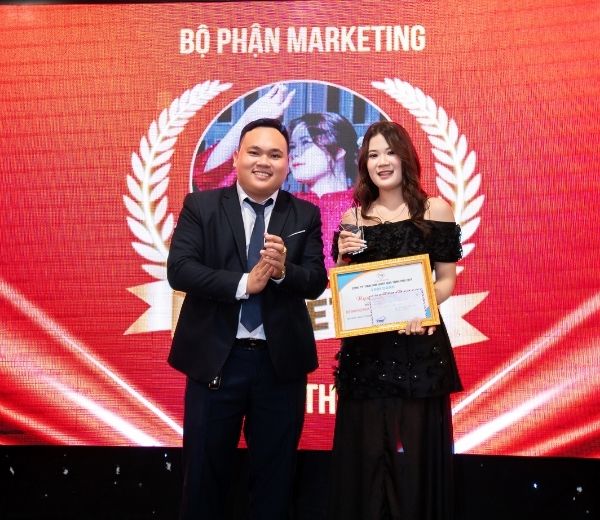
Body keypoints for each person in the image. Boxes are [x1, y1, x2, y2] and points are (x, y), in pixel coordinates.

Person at [167, 118, 328, 519]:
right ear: (237, 157)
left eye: (275, 155)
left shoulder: (304, 214)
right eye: (254, 152)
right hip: (216, 361)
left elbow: (315, 282)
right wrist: (244, 283)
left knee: (275, 481)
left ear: (287, 164)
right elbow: (180, 270)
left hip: (280, 366)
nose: (264, 162)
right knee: (203, 477)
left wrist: (283, 272)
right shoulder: (201, 206)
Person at [328, 121, 463, 520]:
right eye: (373, 155)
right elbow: (345, 287)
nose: (382, 162)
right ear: (363, 164)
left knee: (415, 463)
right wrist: (342, 258)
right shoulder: (353, 217)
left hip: (418, 351)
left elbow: (446, 279)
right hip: (366, 357)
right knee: (367, 459)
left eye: (390, 152)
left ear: (406, 158)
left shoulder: (435, 209)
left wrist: (424, 310)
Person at [192, 84, 359, 267]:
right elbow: (210, 179)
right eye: (292, 147)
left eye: (306, 143)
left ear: (340, 150)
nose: (295, 153)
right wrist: (248, 120)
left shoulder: (365, 205)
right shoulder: (280, 204)